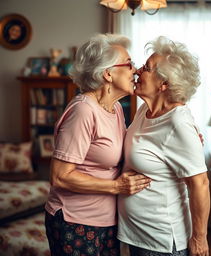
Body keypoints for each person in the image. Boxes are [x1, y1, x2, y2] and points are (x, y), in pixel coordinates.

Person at [44, 33, 151, 256]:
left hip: (107, 220)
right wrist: (116, 187)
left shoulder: (117, 108)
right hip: (75, 221)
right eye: (129, 64)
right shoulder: (83, 110)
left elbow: (128, 147)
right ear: (108, 73)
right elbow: (60, 176)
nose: (136, 70)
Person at [118, 36, 210, 256]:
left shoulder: (178, 122)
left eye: (146, 68)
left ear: (164, 83)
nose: (138, 71)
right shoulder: (144, 110)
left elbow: (200, 183)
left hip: (161, 243)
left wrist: (199, 238)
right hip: (138, 235)